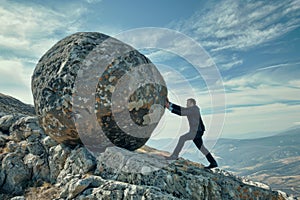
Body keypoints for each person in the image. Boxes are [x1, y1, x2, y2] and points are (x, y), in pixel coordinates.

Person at [165, 97, 218, 169]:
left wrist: (170, 108)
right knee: (201, 148)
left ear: (192, 103)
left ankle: (174, 156)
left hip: (196, 132)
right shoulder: (192, 109)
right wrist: (170, 103)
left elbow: (182, 113)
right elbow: (181, 108)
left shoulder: (194, 109)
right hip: (197, 132)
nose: (186, 104)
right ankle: (213, 162)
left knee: (182, 138)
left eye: (187, 103)